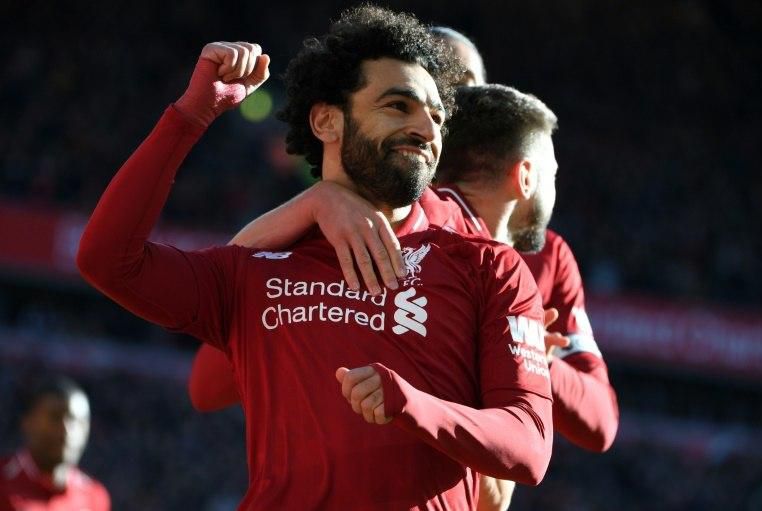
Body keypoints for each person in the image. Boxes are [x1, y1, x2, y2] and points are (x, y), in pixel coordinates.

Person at [77, 6, 554, 509]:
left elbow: (528, 445)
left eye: (437, 116)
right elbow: (107, 260)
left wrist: (411, 404)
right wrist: (189, 117)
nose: (427, 129)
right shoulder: (255, 266)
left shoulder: (488, 267)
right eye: (399, 106)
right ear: (327, 119)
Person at [193, 26, 618, 511]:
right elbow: (207, 383)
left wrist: (530, 364)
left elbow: (600, 422)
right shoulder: (361, 225)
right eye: (408, 98)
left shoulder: (538, 257)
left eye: (457, 95)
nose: (436, 113)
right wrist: (316, 202)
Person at [0, 376, 110, 511]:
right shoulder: (4, 482)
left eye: (76, 421)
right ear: (28, 422)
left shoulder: (94, 497)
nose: (66, 430)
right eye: (55, 417)